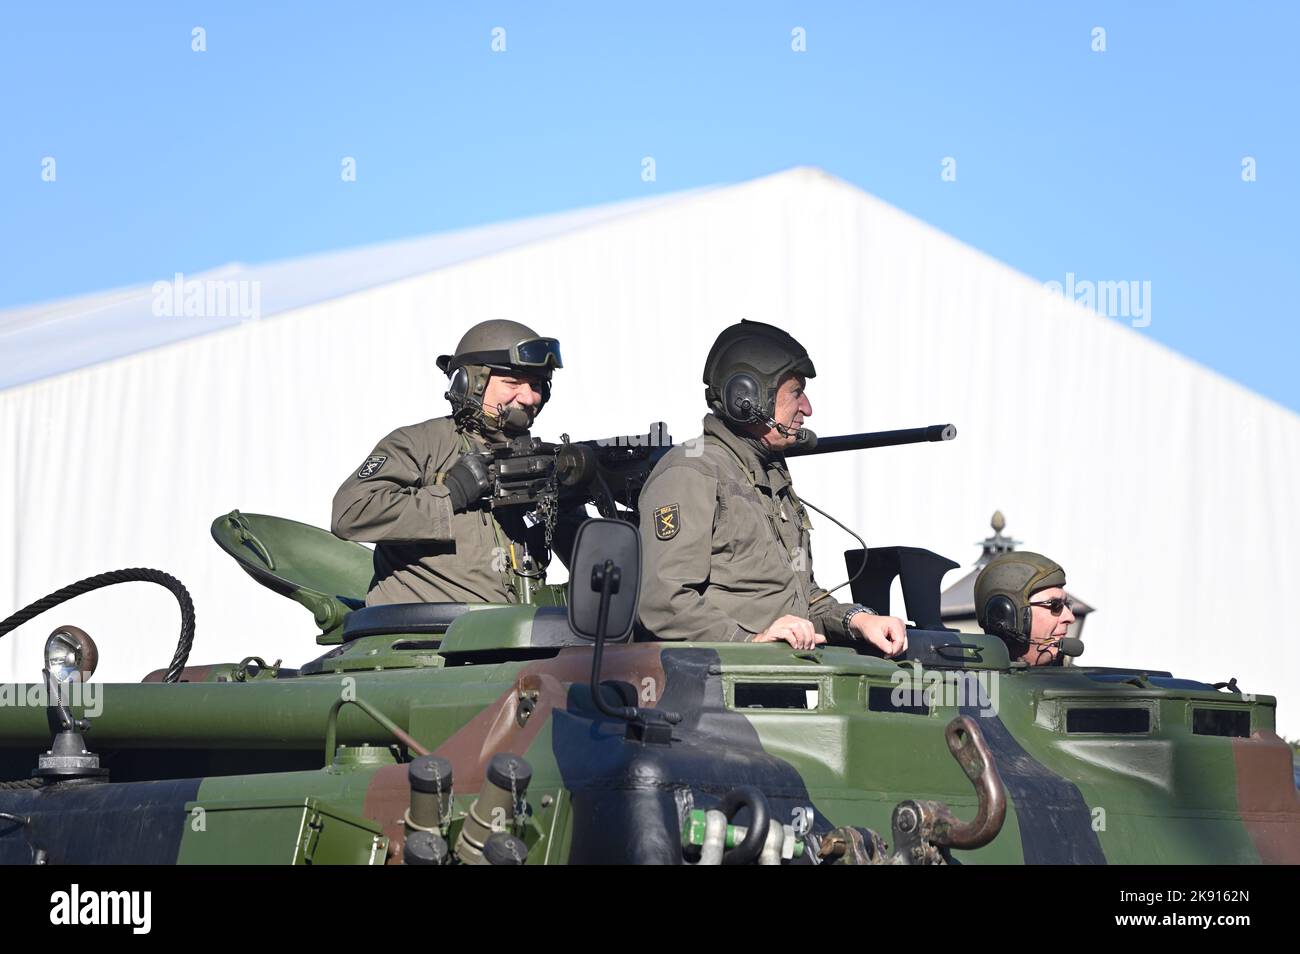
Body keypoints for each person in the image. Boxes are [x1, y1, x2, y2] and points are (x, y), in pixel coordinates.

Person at [635, 319, 909, 655]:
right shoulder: (693, 473)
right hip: (713, 689)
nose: (807, 408)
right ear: (747, 398)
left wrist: (858, 620)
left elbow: (802, 598)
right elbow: (664, 601)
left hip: (776, 681)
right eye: (796, 392)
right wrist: (748, 643)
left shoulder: (770, 477)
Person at [331, 319, 577, 605]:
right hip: (429, 636)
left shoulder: (541, 462)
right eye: (512, 383)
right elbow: (351, 512)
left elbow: (592, 564)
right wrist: (450, 495)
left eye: (536, 385)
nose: (528, 397)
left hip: (516, 633)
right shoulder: (421, 444)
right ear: (470, 383)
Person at [973, 551, 1077, 666]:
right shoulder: (966, 681)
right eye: (1055, 605)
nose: (1070, 618)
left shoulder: (1080, 682)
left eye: (1067, 604)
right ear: (1007, 617)